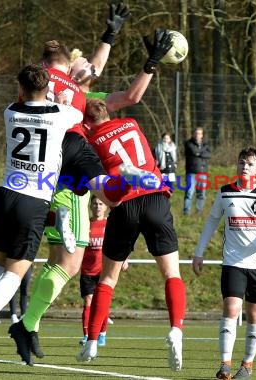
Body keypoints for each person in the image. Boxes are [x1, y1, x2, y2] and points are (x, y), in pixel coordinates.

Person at [12, 26, 174, 363]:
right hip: (67, 183)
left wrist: (116, 41)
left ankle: (27, 323)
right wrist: (119, 46)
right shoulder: (76, 102)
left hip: (71, 185)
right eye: (84, 61)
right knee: (62, 262)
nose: (92, 63)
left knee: (61, 264)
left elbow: (126, 93)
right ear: (71, 70)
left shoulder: (89, 103)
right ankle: (21, 322)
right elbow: (111, 83)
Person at [0, 64, 127, 362]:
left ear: (20, 91)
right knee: (15, 272)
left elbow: (35, 101)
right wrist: (62, 96)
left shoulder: (11, 111)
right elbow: (75, 111)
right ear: (47, 90)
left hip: (6, 194)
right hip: (33, 200)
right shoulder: (61, 115)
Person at [76, 98, 186, 373]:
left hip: (125, 205)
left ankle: (91, 342)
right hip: (156, 198)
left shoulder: (91, 142)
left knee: (108, 279)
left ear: (87, 122)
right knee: (172, 274)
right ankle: (176, 330)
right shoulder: (131, 123)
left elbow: (89, 180)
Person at [192, 146, 256, 379]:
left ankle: (247, 366)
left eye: (251, 164)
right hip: (233, 262)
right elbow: (211, 222)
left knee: (254, 315)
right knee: (231, 309)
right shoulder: (225, 193)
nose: (245, 167)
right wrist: (199, 252)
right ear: (237, 165)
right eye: (242, 162)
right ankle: (225, 364)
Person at [79, 195, 129, 346]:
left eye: (100, 204)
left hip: (104, 270)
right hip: (87, 271)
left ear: (106, 207)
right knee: (88, 301)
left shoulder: (110, 224)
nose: (97, 206)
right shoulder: (85, 224)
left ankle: (102, 334)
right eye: (94, 204)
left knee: (101, 302)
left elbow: (123, 241)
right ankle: (87, 335)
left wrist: (124, 258)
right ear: (90, 206)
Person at [183, 127, 211, 215]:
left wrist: (200, 153)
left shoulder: (206, 144)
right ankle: (186, 212)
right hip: (191, 172)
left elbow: (209, 155)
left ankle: (199, 212)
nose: (197, 135)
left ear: (202, 135)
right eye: (196, 133)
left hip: (203, 172)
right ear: (193, 134)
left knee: (201, 194)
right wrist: (202, 152)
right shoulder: (188, 143)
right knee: (189, 194)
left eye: (199, 133)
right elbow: (194, 151)